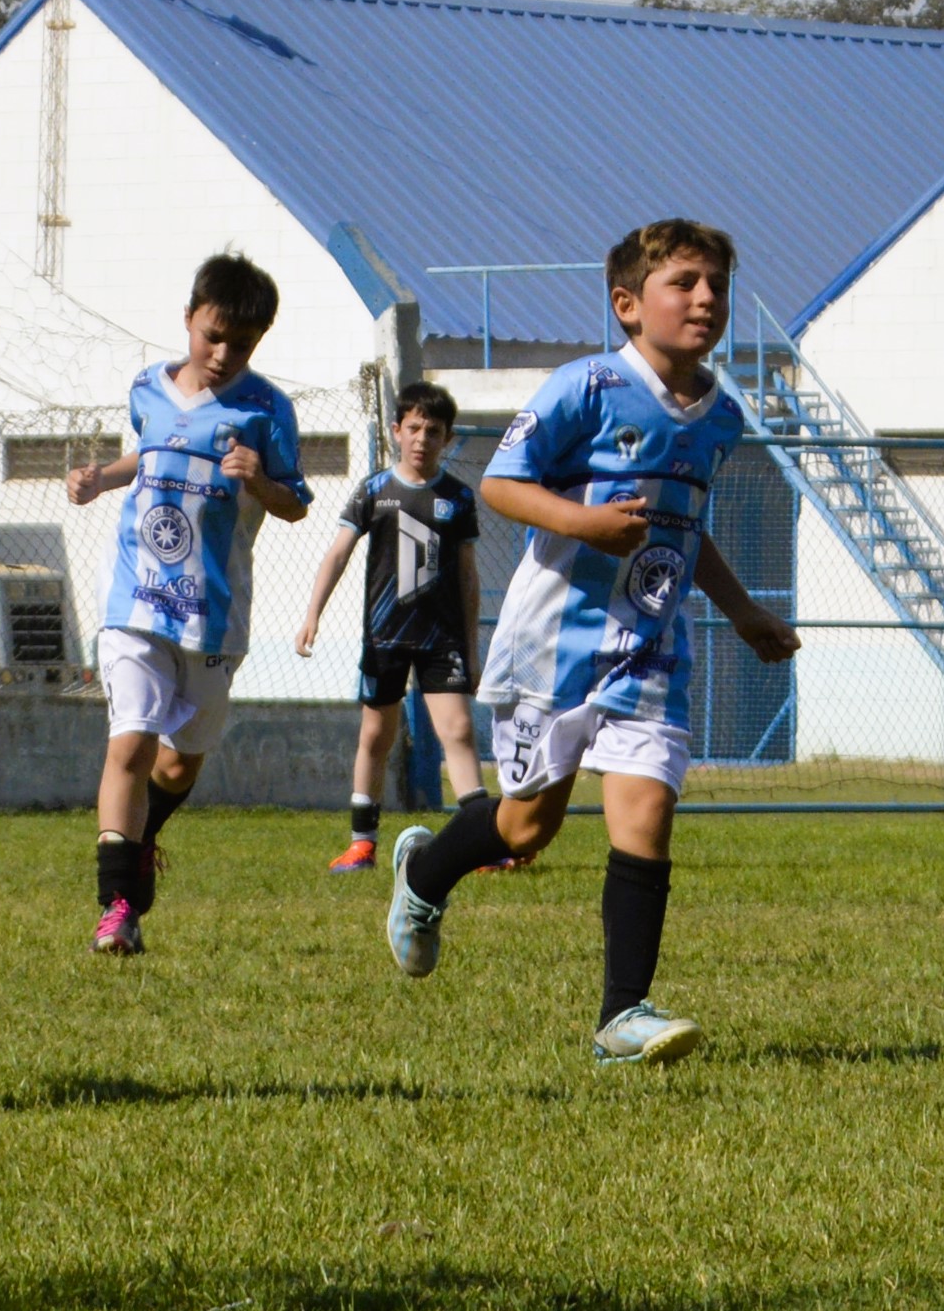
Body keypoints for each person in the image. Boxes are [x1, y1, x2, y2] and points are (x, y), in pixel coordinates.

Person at [386, 218, 800, 1066]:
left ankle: (622, 1015)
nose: (706, 298)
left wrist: (743, 606)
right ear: (627, 303)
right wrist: (586, 523)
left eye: (716, 283)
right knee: (528, 826)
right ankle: (426, 874)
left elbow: (690, 529)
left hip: (651, 648)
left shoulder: (719, 416)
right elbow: (499, 484)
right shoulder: (586, 387)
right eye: (684, 282)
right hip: (556, 647)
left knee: (646, 811)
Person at [67, 252, 311, 956]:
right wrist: (101, 478)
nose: (225, 353)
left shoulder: (267, 410)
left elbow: (293, 504)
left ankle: (138, 843)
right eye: (213, 336)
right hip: (136, 599)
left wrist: (260, 481)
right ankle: (117, 906)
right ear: (189, 320)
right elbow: (150, 453)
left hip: (213, 613)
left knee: (178, 766)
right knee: (132, 741)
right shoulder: (147, 387)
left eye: (242, 342)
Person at [295, 381, 492, 872]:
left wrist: (472, 648)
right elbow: (338, 552)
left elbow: (468, 577)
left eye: (434, 430)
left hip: (441, 639)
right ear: (396, 431)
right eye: (414, 428)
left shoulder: (458, 498)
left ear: (446, 439)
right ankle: (362, 845)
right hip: (385, 636)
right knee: (376, 736)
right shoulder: (373, 490)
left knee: (459, 731)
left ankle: (481, 844)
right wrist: (312, 614)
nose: (423, 438)